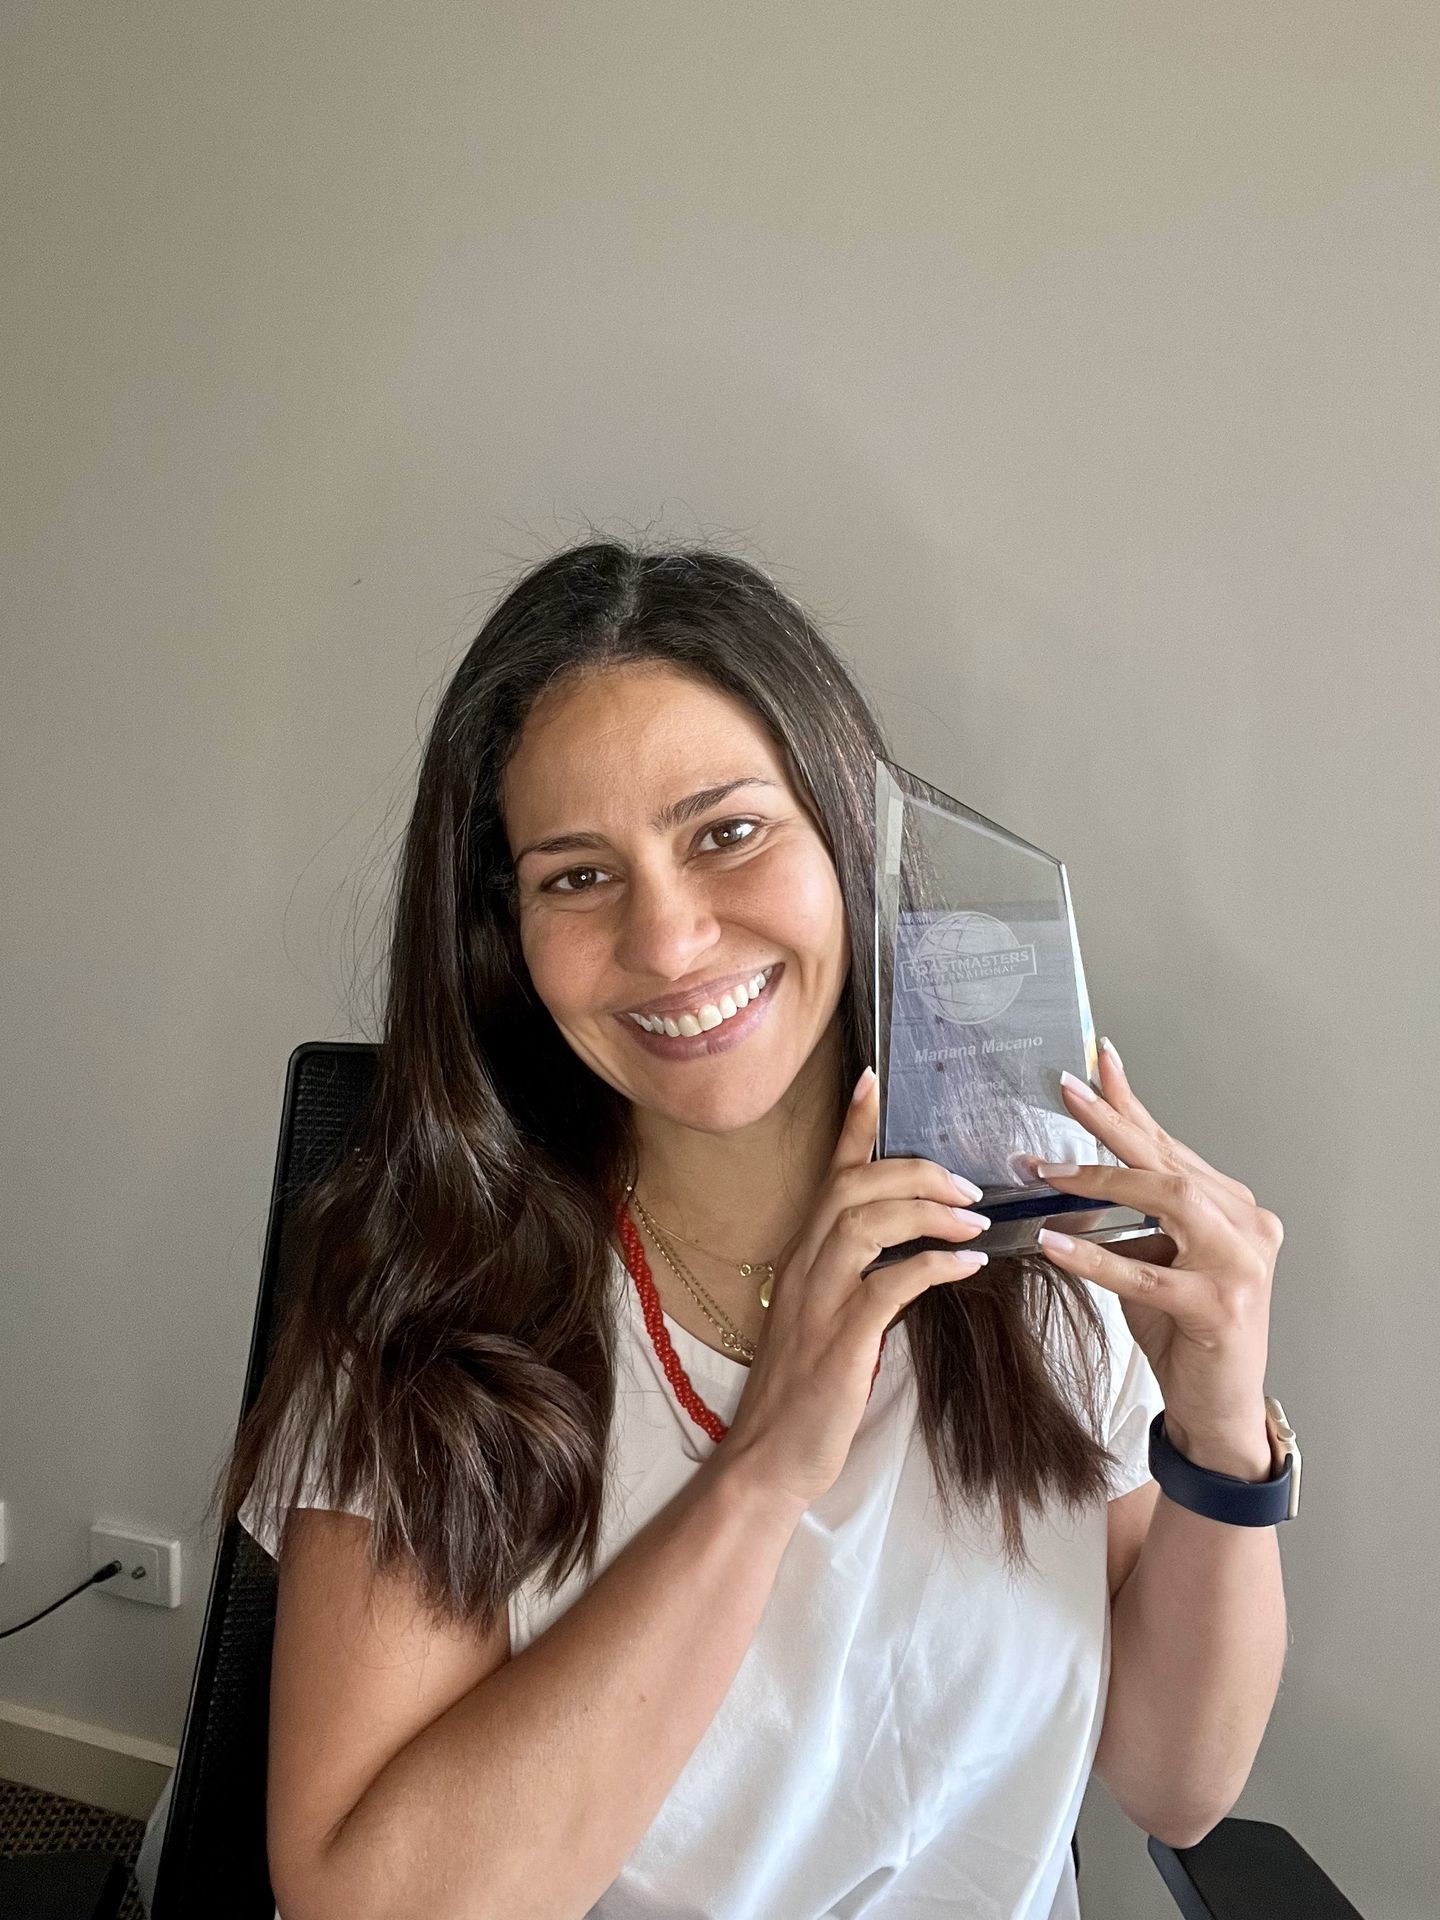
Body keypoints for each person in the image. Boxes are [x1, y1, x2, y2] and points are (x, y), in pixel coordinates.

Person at [202, 539, 1164, 1920]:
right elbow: (370, 1905)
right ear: (507, 935)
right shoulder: (426, 1310)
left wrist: (1231, 1451)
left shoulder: (1027, 1251)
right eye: (576, 877)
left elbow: (1174, 1786)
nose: (667, 942)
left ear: (846, 833)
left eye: (727, 832)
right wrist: (762, 1469)